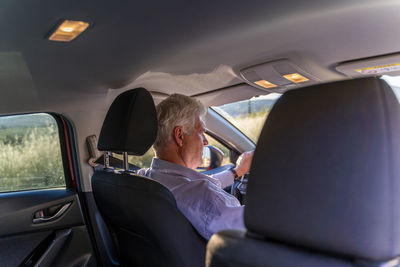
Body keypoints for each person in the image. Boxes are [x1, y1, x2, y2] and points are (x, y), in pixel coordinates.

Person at [138, 94, 254, 240]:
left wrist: (237, 172)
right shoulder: (205, 198)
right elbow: (263, 227)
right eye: (201, 132)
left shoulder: (142, 178)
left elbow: (187, 185)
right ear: (180, 135)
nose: (205, 142)